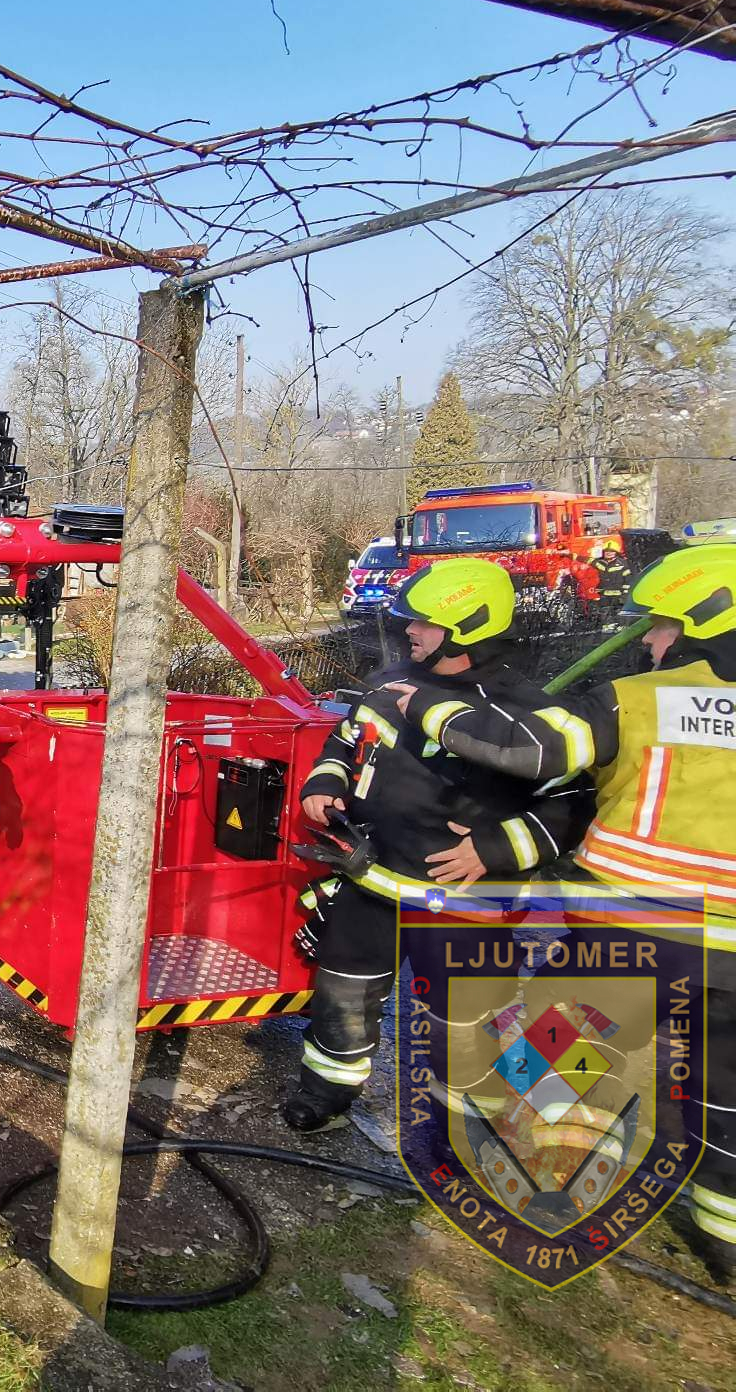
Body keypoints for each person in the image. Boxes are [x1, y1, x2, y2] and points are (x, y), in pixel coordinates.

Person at [389, 546, 736, 1282]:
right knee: (727, 1084)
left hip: (636, 930)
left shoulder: (640, 700)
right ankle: (725, 1235)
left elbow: (529, 750)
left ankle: (532, 1183)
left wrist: (426, 706)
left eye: (662, 625)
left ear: (703, 623)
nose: (648, 639)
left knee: (564, 1061)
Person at [284, 557, 594, 1133]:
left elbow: (571, 804)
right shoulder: (388, 684)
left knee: (465, 1017)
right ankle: (325, 1093)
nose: (410, 632)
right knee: (344, 995)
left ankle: (468, 1122)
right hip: (371, 877)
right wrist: (325, 781)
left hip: (465, 900)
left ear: (468, 627)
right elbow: (346, 739)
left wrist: (497, 850)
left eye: (423, 622)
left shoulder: (525, 714)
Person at [590, 539, 633, 613]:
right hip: (603, 596)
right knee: (603, 615)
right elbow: (586, 560)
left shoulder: (623, 564)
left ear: (616, 553)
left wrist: (624, 595)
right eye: (607, 551)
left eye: (611, 551)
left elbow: (628, 581)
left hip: (617, 597)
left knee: (616, 616)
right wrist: (569, 554)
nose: (609, 553)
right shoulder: (600, 563)